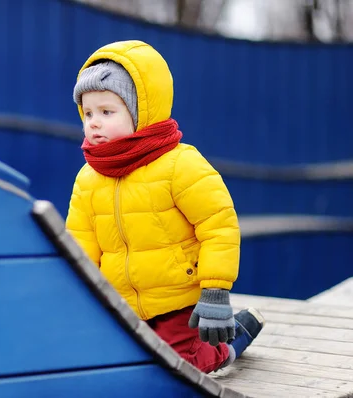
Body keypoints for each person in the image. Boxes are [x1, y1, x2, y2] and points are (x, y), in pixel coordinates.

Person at [65, 40, 264, 373]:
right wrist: (76, 293)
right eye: (87, 113)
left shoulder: (179, 165)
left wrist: (214, 290)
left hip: (177, 299)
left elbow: (218, 225)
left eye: (106, 112)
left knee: (179, 367)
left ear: (142, 111)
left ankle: (229, 346)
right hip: (122, 302)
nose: (93, 122)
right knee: (125, 366)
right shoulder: (89, 178)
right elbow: (80, 242)